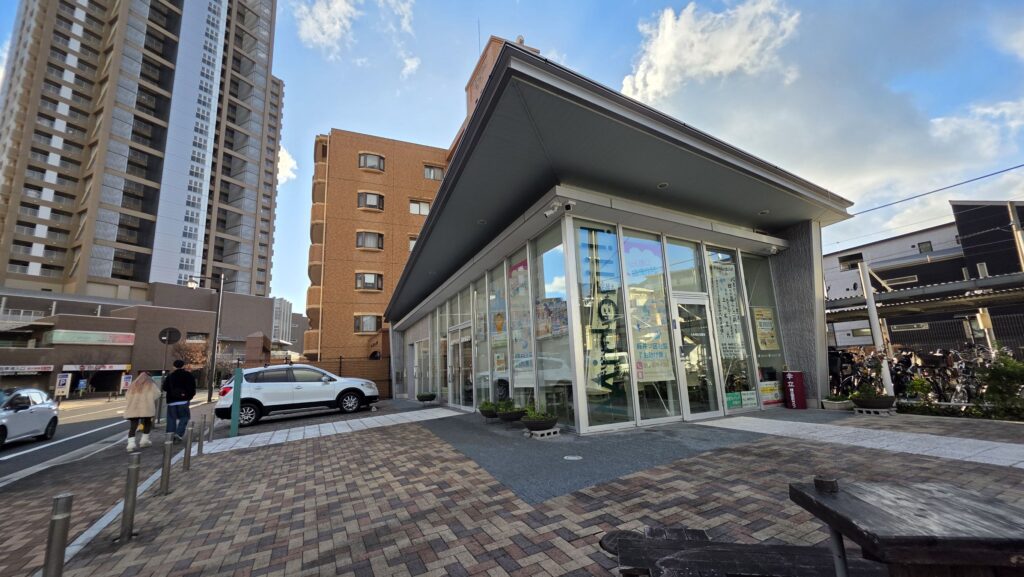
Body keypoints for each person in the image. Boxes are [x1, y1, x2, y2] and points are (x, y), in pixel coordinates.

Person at [124, 371, 160, 452]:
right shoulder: (151, 384)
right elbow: (157, 394)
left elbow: (127, 396)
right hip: (146, 407)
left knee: (133, 426)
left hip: (133, 408)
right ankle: (144, 440)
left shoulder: (133, 385)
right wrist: (150, 399)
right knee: (147, 423)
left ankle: (131, 444)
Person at [163, 359, 197, 442]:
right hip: (184, 401)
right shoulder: (188, 375)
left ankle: (170, 436)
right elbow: (192, 388)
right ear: (183, 366)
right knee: (184, 417)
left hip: (171, 401)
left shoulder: (170, 376)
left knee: (171, 419)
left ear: (174, 367)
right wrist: (189, 397)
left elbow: (165, 388)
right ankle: (178, 434)